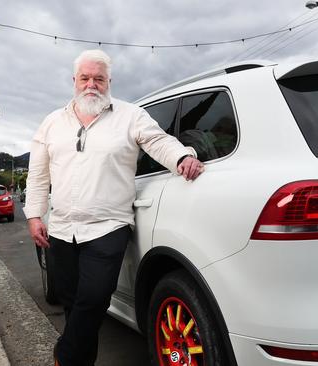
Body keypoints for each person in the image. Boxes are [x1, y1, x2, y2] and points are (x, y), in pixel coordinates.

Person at [23, 49, 204, 366]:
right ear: (74, 81)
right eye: (85, 78)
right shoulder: (52, 122)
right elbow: (38, 175)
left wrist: (182, 157)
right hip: (62, 228)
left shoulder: (130, 116)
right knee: (72, 303)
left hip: (108, 227)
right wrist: (34, 215)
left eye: (98, 78)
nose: (91, 84)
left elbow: (157, 141)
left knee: (93, 299)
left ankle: (64, 357)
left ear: (109, 82)